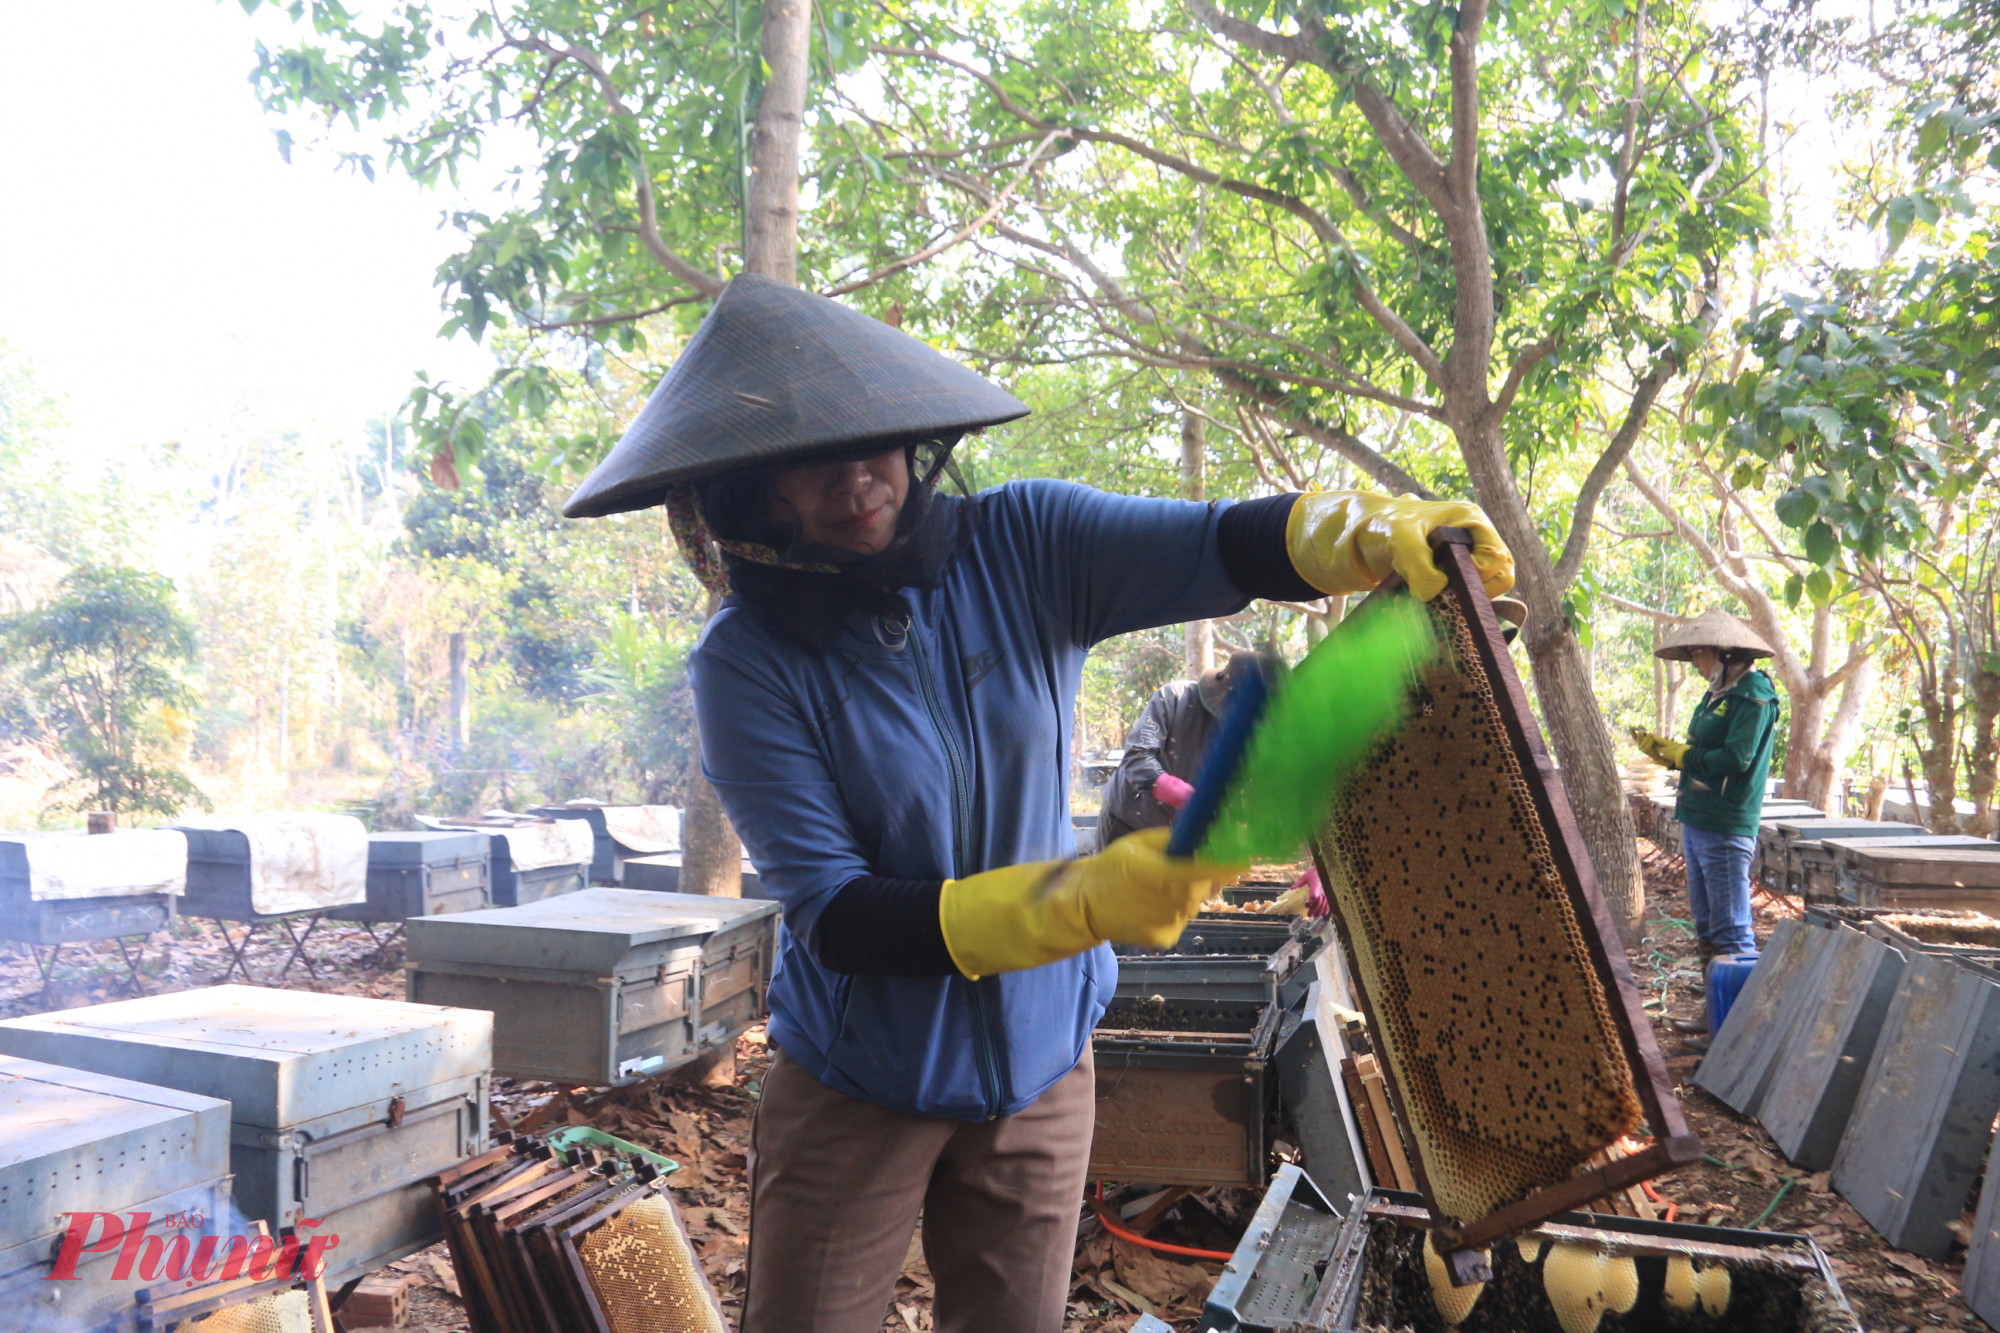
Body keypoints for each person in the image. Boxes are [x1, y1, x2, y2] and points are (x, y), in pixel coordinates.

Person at [561, 274, 1515, 1333]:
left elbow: (1222, 543)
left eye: (873, 438)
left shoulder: (1026, 541)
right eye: (807, 462)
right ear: (742, 494)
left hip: (1039, 1070)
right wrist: (1082, 898)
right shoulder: (745, 660)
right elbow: (835, 912)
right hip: (858, 1081)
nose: (857, 477)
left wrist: (1364, 529)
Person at [1629, 609, 1782, 1039]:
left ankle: (1742, 1032)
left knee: (1732, 928)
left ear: (1727, 653)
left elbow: (1737, 759)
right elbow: (1701, 747)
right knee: (1708, 926)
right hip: (1697, 819)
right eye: (1694, 653)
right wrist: (1669, 753)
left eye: (1701, 653)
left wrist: (1683, 756)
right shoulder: (1716, 692)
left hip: (1725, 822)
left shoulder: (1753, 696)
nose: (1696, 662)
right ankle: (1716, 1015)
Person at [1096, 650, 1275, 845]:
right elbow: (1137, 756)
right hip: (1128, 822)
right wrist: (1183, 794)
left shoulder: (1255, 734)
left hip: (1180, 835)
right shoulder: (1173, 697)